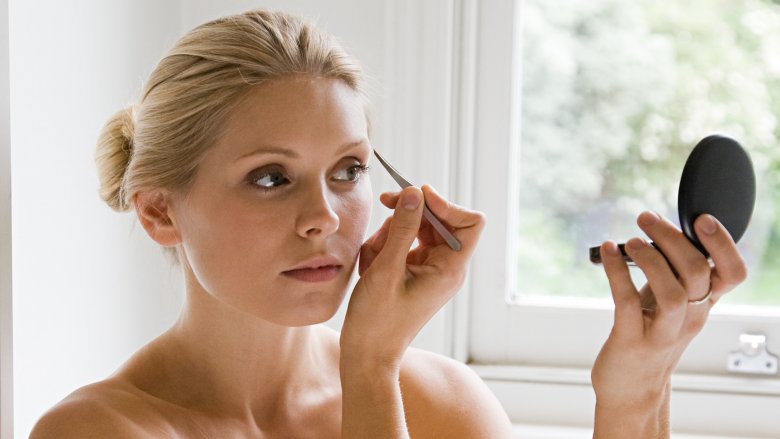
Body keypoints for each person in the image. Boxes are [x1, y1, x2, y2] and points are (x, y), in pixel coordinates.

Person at [29, 9, 747, 438]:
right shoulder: (100, 431)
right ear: (160, 212)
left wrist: (634, 393)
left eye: (347, 170)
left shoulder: (444, 403)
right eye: (271, 177)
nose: (324, 217)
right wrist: (368, 367)